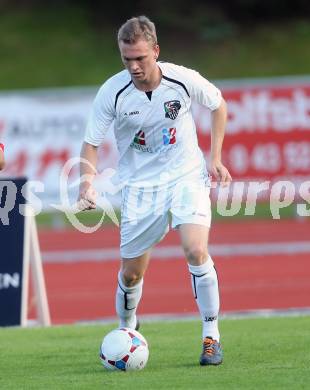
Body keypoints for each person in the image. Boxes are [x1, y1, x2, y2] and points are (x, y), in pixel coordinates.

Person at [78, 15, 232, 366]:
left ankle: (211, 337)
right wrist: (86, 183)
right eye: (127, 58)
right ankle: (126, 331)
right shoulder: (112, 92)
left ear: (156, 51)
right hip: (139, 188)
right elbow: (90, 143)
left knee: (196, 250)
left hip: (186, 177)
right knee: (132, 274)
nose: (133, 66)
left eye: (140, 58)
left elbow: (218, 105)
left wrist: (216, 156)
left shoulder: (182, 79)